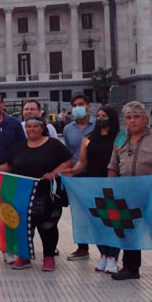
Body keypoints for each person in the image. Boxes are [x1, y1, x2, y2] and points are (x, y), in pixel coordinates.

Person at [108, 101, 152, 289]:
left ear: (145, 118)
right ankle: (131, 268)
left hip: (150, 192)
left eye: (137, 116)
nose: (133, 120)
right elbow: (113, 164)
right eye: (129, 117)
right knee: (128, 230)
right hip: (126, 191)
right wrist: (111, 186)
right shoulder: (120, 137)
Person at [0, 118, 72, 272]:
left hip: (47, 193)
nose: (32, 129)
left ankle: (49, 257)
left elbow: (68, 162)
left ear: (42, 128)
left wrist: (53, 174)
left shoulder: (54, 145)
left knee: (47, 226)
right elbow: (9, 166)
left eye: (36, 126)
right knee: (23, 225)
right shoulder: (18, 147)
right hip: (22, 194)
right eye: (29, 126)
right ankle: (24, 256)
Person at [62, 105, 122, 274]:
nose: (101, 118)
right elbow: (82, 162)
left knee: (114, 222)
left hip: (114, 184)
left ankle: (113, 257)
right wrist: (73, 171)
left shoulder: (120, 137)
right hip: (93, 183)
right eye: (99, 115)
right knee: (98, 221)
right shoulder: (88, 138)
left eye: (104, 116)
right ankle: (103, 254)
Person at [63, 92, 96, 262]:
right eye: (74, 105)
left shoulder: (97, 125)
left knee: (99, 210)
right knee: (80, 213)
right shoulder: (68, 129)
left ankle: (106, 249)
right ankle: (83, 248)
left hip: (96, 174)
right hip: (76, 175)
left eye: (81, 104)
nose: (77, 108)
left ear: (88, 106)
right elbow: (69, 152)